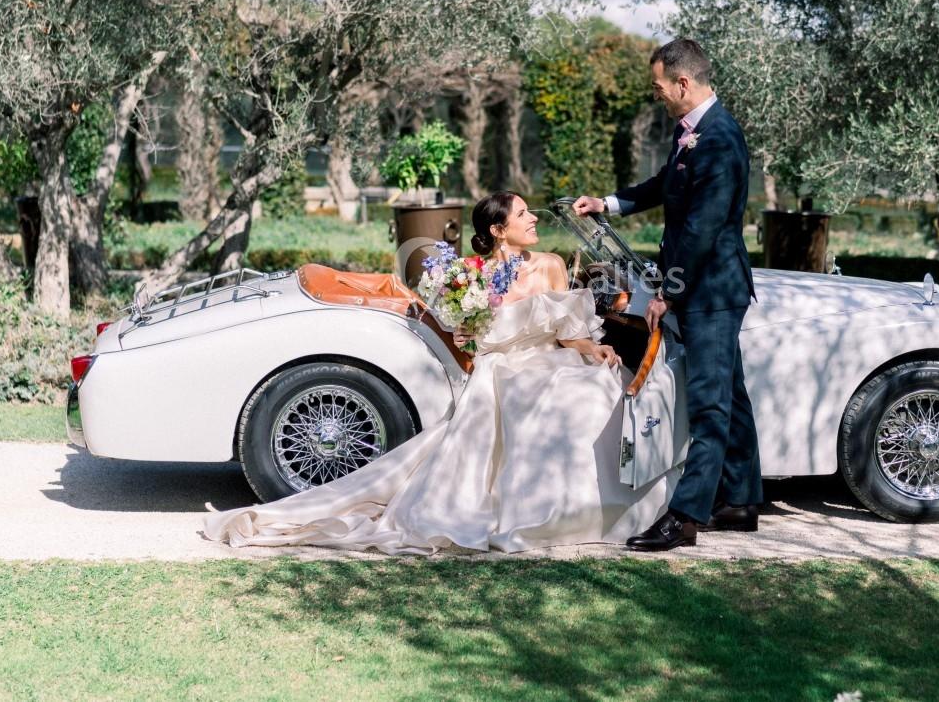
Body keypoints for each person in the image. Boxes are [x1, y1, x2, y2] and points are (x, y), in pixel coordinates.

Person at [203, 191, 673, 554]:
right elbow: (471, 336)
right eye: (523, 214)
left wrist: (591, 347)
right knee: (526, 397)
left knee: (590, 388)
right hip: (502, 367)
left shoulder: (549, 265)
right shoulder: (468, 277)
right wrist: (468, 331)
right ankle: (524, 514)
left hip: (551, 357)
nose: (533, 220)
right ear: (499, 228)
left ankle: (586, 509)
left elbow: (566, 330)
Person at [573, 37, 761, 552]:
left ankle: (684, 517)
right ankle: (741, 502)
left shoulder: (719, 136)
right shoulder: (694, 133)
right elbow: (665, 185)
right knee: (732, 397)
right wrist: (607, 203)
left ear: (683, 82)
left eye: (659, 85)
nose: (656, 93)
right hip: (705, 287)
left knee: (709, 405)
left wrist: (669, 293)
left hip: (711, 291)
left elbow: (703, 226)